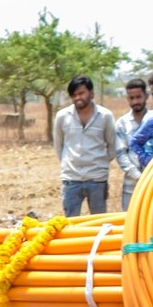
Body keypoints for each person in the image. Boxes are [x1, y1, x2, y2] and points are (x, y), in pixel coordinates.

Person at [52, 75, 117, 216]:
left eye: (81, 93)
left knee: (99, 221)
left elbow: (112, 146)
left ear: (91, 93)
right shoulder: (62, 116)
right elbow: (58, 145)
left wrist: (100, 163)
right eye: (74, 95)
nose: (77, 98)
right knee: (70, 223)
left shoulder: (105, 116)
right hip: (71, 179)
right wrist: (68, 163)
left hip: (97, 179)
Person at [115, 79, 149, 210]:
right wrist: (137, 175)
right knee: (129, 220)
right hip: (131, 183)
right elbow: (121, 153)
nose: (135, 102)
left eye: (138, 97)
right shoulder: (122, 123)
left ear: (146, 96)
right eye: (131, 98)